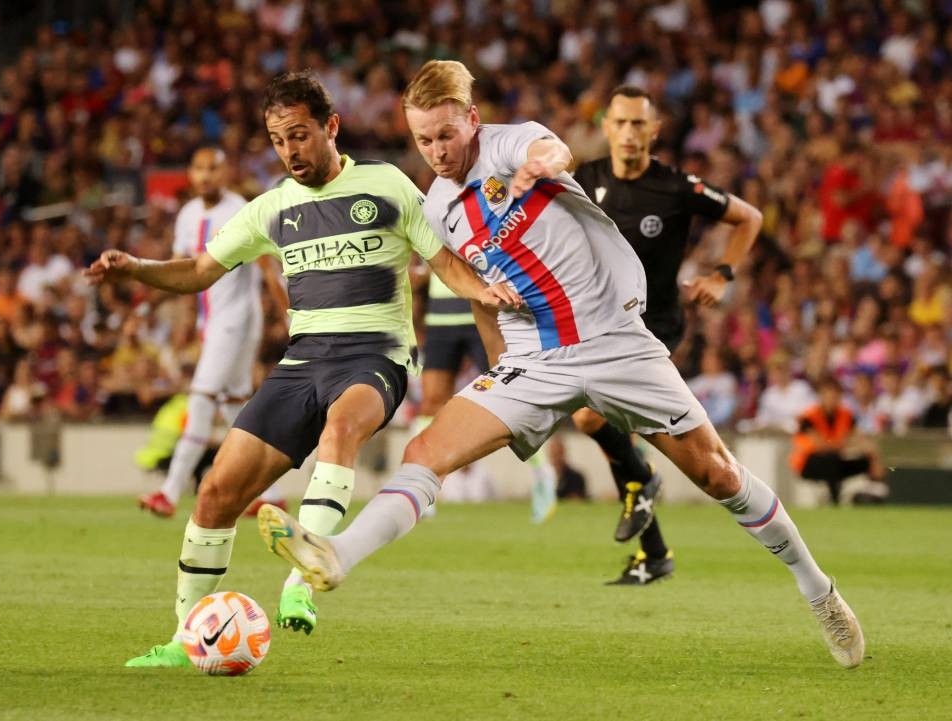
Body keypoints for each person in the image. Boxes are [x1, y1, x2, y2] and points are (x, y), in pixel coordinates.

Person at [258, 60, 864, 670]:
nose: (437, 151)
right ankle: (338, 555)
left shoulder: (509, 142)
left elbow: (555, 150)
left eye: (446, 134)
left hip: (614, 342)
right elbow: (481, 297)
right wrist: (499, 378)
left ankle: (818, 589)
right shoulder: (439, 207)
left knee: (717, 475)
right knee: (424, 454)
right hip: (533, 359)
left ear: (471, 119)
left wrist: (539, 164)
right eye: (423, 139)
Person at [84, 70, 518, 668]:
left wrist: (486, 290)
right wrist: (136, 266)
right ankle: (186, 640)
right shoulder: (273, 208)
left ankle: (300, 586)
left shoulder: (387, 184)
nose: (290, 151)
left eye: (300, 135)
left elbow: (441, 258)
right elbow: (198, 271)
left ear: (330, 127)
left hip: (374, 357)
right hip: (301, 362)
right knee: (215, 493)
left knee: (340, 433)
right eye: (278, 139)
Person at [569, 85, 764, 584]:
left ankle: (645, 482)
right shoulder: (582, 180)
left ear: (654, 131)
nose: (630, 133)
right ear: (606, 128)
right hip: (595, 324)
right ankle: (653, 551)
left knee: (593, 419)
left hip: (652, 326)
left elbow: (749, 218)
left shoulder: (677, 187)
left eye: (639, 124)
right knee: (601, 426)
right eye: (621, 123)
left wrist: (722, 273)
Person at [136, 146, 289, 519]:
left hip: (237, 319)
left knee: (202, 398)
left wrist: (289, 314)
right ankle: (272, 493)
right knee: (237, 406)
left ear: (226, 174)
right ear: (190, 173)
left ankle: (170, 492)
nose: (206, 176)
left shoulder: (239, 209)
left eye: (213, 169)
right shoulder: (188, 214)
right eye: (199, 169)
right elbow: (179, 269)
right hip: (213, 320)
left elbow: (268, 266)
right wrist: (149, 308)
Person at [413, 271, 557, 522]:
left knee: (510, 396)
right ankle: (423, 488)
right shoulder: (427, 230)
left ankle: (542, 473)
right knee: (431, 403)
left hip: (480, 311)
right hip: (440, 317)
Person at [791, 376, 888, 506]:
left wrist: (873, 454)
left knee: (864, 460)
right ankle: (834, 499)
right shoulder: (809, 416)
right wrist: (845, 444)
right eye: (827, 393)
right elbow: (819, 445)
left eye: (835, 394)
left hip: (837, 458)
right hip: (809, 462)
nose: (831, 398)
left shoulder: (845, 415)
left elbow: (859, 439)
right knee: (831, 459)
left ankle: (873, 493)